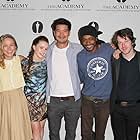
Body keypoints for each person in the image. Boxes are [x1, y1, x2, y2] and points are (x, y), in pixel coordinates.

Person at [77, 21, 114, 140]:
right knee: (86, 134)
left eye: (91, 38)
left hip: (105, 101)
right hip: (87, 100)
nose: (87, 42)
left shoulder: (108, 49)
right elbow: (82, 78)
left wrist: (117, 49)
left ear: (96, 38)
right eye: (84, 39)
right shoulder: (80, 56)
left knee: (100, 135)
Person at [46, 18, 82, 140]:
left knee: (71, 134)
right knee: (53, 134)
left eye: (65, 31)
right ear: (53, 32)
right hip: (54, 100)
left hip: (73, 100)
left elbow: (94, 49)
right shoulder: (47, 51)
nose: (61, 34)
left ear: (69, 32)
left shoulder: (78, 49)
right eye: (58, 31)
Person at [0, 34, 32, 140]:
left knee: (20, 129)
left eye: (12, 45)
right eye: (5, 46)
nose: (9, 48)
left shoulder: (20, 59)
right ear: (1, 47)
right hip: (3, 100)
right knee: (5, 129)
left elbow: (36, 65)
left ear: (16, 47)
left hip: (19, 98)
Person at [110, 28, 140, 140]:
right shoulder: (114, 60)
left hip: (136, 108)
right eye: (120, 42)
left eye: (126, 41)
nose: (123, 45)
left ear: (132, 41)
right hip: (117, 109)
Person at [21, 35, 49, 140]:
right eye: (41, 48)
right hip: (30, 103)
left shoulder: (47, 63)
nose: (44, 51)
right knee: (36, 131)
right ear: (34, 47)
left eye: (46, 48)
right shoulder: (24, 64)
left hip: (43, 103)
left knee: (41, 129)